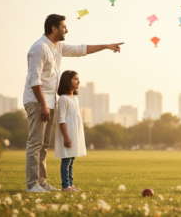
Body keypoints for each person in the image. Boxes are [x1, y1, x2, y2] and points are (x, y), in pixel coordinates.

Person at [23, 14, 123, 193]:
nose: (66, 30)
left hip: (49, 103)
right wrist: (42, 104)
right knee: (35, 143)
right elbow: (34, 79)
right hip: (37, 102)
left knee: (44, 144)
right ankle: (32, 185)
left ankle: (42, 182)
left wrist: (106, 46)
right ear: (54, 28)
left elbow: (80, 49)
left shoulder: (57, 46)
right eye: (63, 27)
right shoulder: (39, 48)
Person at [55, 70, 84, 191]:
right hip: (68, 133)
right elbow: (61, 119)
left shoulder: (75, 99)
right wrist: (66, 136)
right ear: (68, 81)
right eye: (75, 79)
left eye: (78, 79)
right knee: (66, 160)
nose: (78, 81)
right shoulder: (63, 99)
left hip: (74, 133)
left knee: (72, 160)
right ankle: (65, 186)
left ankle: (71, 184)